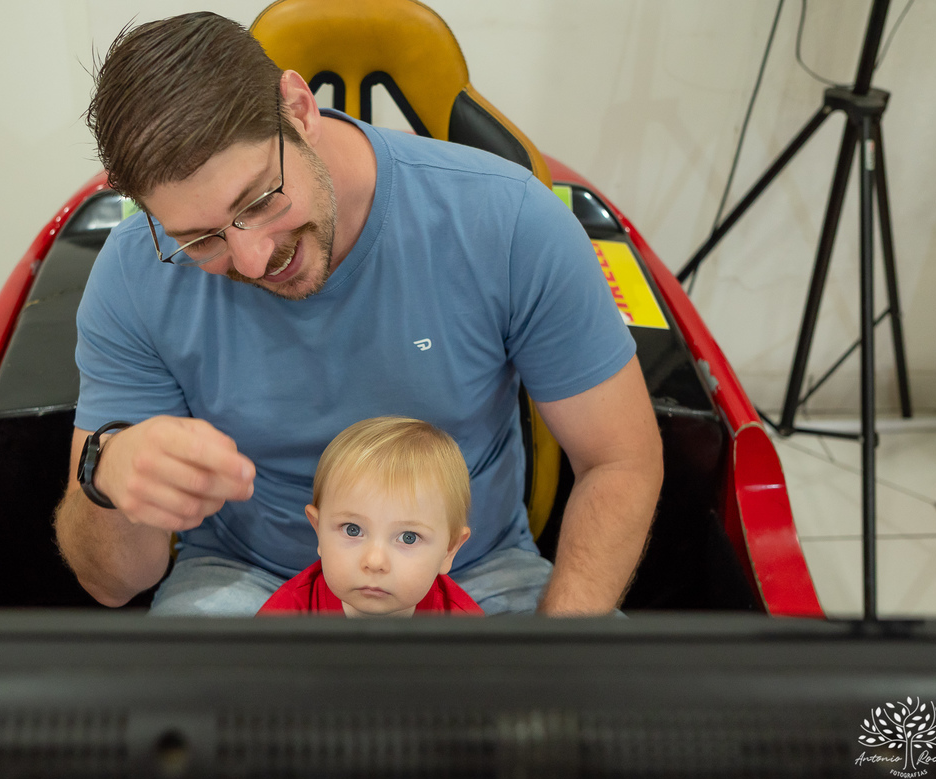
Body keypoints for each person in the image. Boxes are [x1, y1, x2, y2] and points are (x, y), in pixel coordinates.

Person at [53, 11, 663, 617]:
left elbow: (620, 461)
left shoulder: (509, 222)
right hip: (246, 578)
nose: (253, 257)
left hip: (472, 573)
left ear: (299, 108)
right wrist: (105, 476)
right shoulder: (136, 276)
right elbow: (113, 584)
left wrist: (557, 659)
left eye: (261, 200)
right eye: (200, 239)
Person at [258, 417, 482, 617]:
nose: (375, 562)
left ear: (449, 549)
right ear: (318, 530)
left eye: (409, 537)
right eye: (352, 529)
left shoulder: (466, 634)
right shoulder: (284, 620)